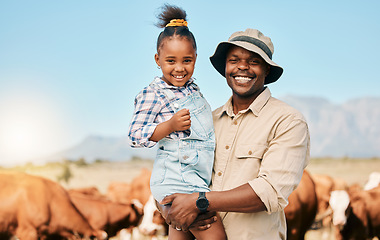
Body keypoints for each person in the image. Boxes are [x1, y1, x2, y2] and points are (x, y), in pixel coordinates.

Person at [160, 28, 311, 240]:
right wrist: (168, 208)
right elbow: (174, 171)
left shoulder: (288, 121)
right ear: (225, 67)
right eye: (234, 60)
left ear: (266, 69)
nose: (242, 67)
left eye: (254, 61)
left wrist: (199, 201)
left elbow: (269, 192)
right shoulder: (206, 121)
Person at [128, 4, 226, 240]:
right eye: (171, 61)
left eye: (187, 61)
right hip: (177, 181)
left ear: (195, 59)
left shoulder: (192, 88)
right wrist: (169, 126)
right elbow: (135, 135)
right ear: (157, 59)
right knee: (215, 236)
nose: (180, 68)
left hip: (196, 178)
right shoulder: (154, 93)